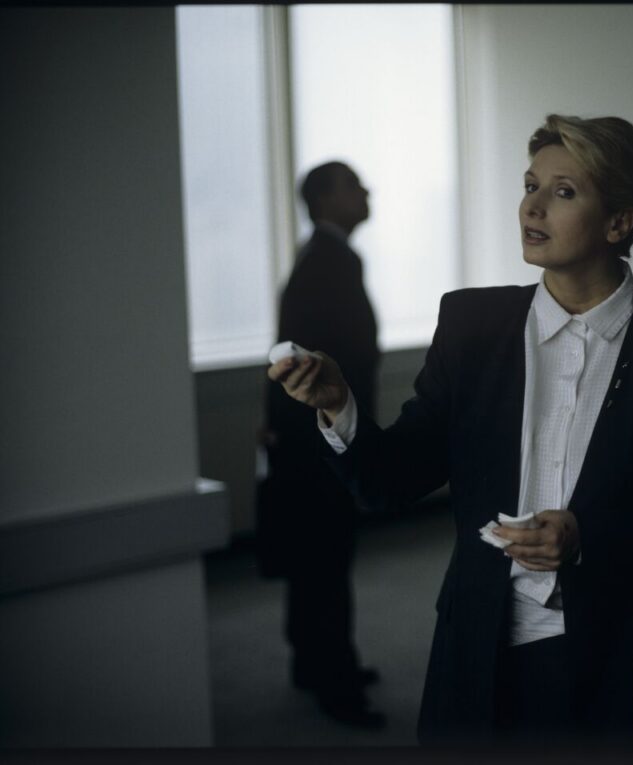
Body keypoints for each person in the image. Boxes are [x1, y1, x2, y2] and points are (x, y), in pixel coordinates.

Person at [269, 115, 633, 745]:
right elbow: (389, 482)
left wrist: (588, 537)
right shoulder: (471, 325)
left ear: (620, 223)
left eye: (563, 192)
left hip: (617, 661)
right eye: (530, 184)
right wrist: (337, 403)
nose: (532, 207)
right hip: (473, 649)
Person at [257, 161, 384, 728]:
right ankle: (336, 683)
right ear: (327, 199)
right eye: (354, 184)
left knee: (315, 559)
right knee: (326, 559)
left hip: (304, 437)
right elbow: (311, 358)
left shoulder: (321, 259)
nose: (366, 192)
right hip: (318, 441)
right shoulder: (328, 263)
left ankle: (315, 664)